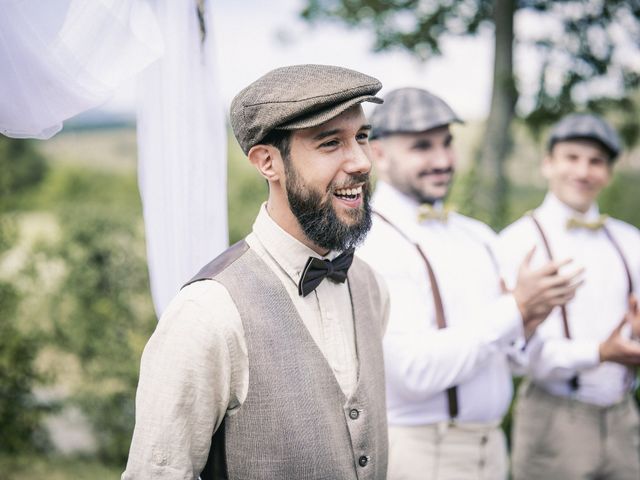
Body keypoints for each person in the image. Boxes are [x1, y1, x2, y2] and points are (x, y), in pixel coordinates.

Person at [121, 64, 391, 480]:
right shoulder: (207, 312)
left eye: (362, 137)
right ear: (268, 162)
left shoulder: (371, 286)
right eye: (330, 143)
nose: (360, 162)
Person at [357, 87, 581, 480]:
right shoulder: (372, 241)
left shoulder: (477, 236)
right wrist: (515, 308)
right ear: (378, 154)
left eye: (447, 143)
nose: (442, 160)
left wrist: (530, 317)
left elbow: (511, 362)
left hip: (492, 448)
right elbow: (414, 373)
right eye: (422, 147)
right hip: (422, 453)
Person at [497, 113, 640, 480]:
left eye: (596, 162)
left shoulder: (629, 241)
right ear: (548, 163)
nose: (583, 171)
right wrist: (599, 353)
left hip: (624, 417)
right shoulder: (516, 242)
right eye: (572, 158)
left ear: (608, 172)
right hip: (554, 417)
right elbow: (513, 351)